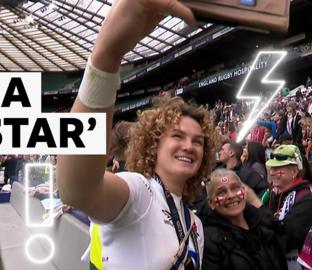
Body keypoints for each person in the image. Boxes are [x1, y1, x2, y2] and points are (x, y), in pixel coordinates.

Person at [56, 1, 217, 268]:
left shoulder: (196, 226)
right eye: (177, 136)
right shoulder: (140, 192)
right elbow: (76, 190)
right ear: (154, 145)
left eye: (198, 141)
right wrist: (105, 59)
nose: (189, 146)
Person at [202, 169, 287, 270]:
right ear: (211, 203)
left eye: (235, 188)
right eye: (221, 192)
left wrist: (257, 203)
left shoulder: (261, 223)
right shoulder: (209, 240)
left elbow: (282, 234)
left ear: (245, 192)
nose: (231, 195)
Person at [263, 145, 312, 269]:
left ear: (294, 171)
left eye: (278, 168)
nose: (272, 172)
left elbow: (286, 237)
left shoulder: (307, 200)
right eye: (271, 167)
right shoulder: (272, 194)